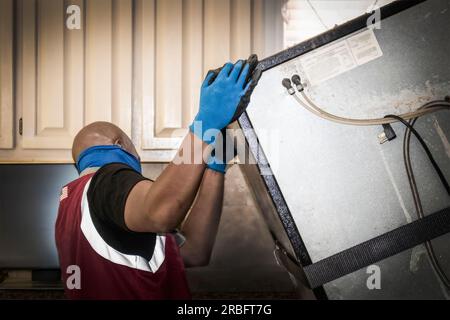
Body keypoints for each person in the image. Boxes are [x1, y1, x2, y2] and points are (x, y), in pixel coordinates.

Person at [55, 58, 261, 299]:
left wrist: (214, 167)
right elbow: (162, 211)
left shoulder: (70, 205)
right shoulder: (106, 179)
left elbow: (195, 252)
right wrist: (207, 123)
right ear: (119, 144)